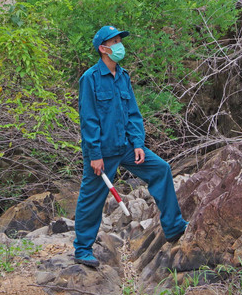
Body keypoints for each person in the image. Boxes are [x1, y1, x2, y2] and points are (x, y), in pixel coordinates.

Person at [74, 25, 188, 268]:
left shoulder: (123, 76)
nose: (119, 45)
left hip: (126, 146)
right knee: (91, 198)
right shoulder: (90, 79)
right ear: (103, 49)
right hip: (101, 152)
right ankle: (83, 250)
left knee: (161, 169)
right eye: (114, 41)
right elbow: (89, 119)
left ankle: (174, 226)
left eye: (119, 40)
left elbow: (133, 114)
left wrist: (138, 143)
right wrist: (94, 154)